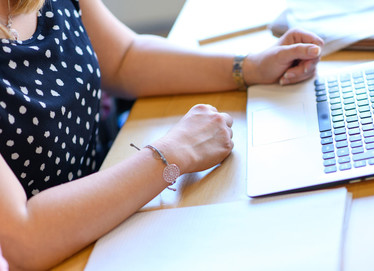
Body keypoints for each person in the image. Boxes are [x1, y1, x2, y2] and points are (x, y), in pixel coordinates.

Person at [0, 0, 323, 269]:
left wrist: (248, 67)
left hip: (111, 217)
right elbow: (23, 238)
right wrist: (172, 154)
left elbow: (124, 58)